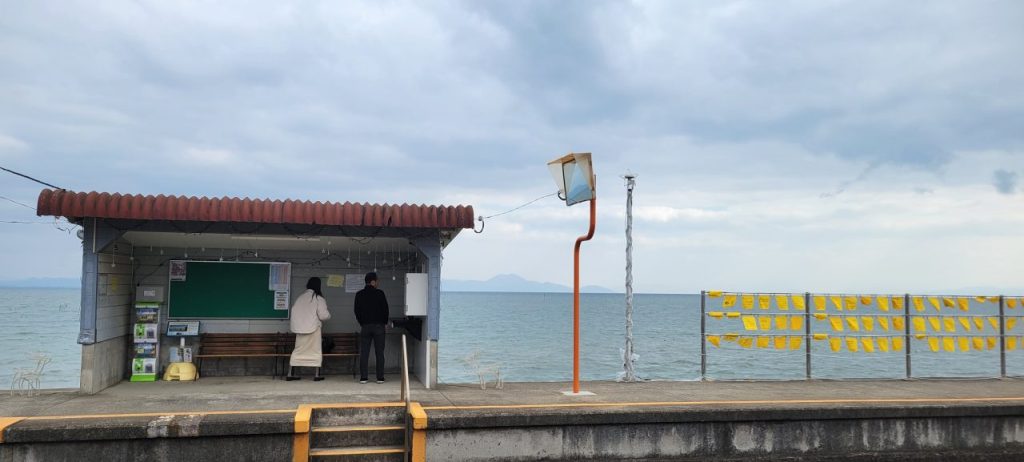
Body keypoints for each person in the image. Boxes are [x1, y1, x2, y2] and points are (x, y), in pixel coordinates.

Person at [287, 277, 331, 381]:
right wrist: (329, 315)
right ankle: (316, 375)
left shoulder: (300, 297)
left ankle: (290, 374)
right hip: (313, 329)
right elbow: (324, 316)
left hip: (300, 330)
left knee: (298, 351)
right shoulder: (318, 298)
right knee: (314, 351)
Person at [354, 272, 389, 384]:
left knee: (364, 353)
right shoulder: (380, 293)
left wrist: (362, 323)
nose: (378, 283)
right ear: (373, 281)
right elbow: (385, 310)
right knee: (379, 352)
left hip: (365, 326)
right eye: (377, 281)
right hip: (379, 326)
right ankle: (380, 377)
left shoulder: (359, 294)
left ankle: (364, 377)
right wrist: (384, 323)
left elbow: (356, 311)